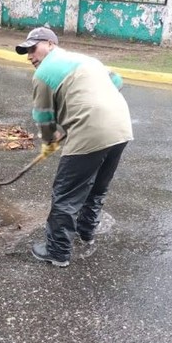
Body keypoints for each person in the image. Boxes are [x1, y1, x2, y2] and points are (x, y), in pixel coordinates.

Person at [15, 27, 133, 267]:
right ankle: (86, 232)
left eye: (33, 48)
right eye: (26, 52)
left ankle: (57, 251)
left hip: (92, 131)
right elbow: (117, 82)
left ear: (50, 44)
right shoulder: (87, 59)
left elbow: (44, 117)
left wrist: (49, 143)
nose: (29, 56)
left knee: (65, 193)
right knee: (97, 186)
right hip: (121, 127)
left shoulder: (44, 73)